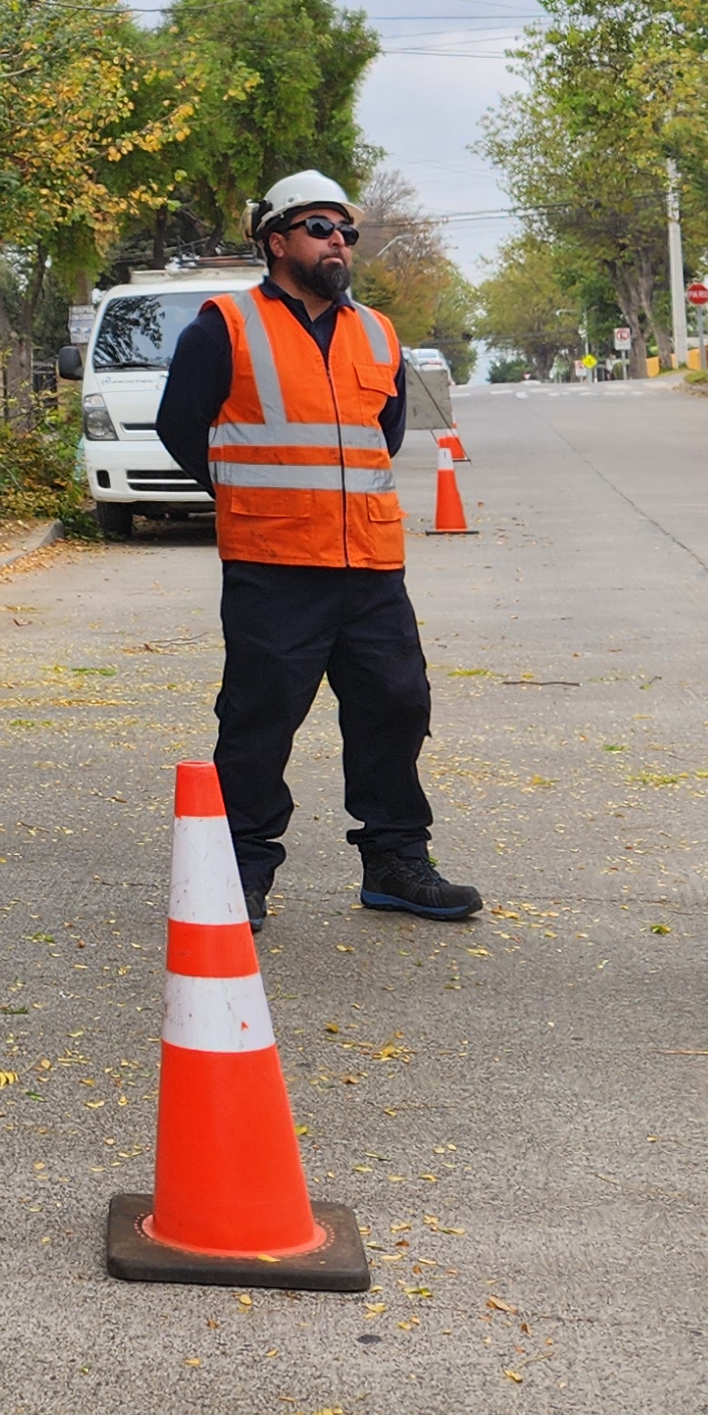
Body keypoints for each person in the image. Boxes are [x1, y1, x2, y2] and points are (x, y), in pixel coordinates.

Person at [154, 169, 481, 932]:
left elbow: (385, 434)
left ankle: (397, 860)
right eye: (321, 228)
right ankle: (240, 867)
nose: (339, 242)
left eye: (346, 232)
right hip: (273, 564)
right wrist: (251, 497)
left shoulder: (377, 330)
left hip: (369, 563)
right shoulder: (225, 325)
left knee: (396, 707)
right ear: (277, 240)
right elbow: (181, 427)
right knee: (260, 720)